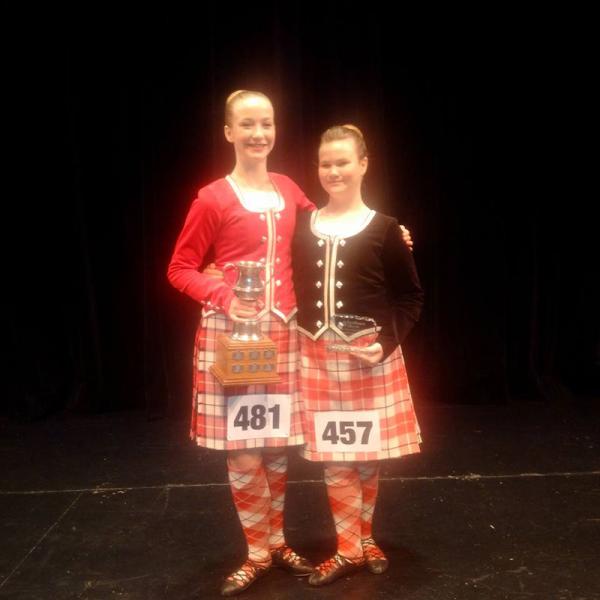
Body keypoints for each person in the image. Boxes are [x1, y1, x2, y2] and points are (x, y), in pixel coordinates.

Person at [167, 90, 316, 596]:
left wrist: (388, 237)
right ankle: (256, 550)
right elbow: (179, 268)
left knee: (275, 446)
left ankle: (275, 542)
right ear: (229, 132)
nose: (259, 134)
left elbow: (328, 231)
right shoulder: (212, 197)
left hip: (284, 330)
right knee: (244, 451)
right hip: (235, 333)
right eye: (247, 125)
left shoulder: (288, 188)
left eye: (266, 124)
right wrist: (224, 294)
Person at [292, 124, 424, 586]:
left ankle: (362, 538)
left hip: (369, 358)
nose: (333, 171)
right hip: (319, 356)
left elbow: (410, 299)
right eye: (326, 163)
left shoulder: (386, 229)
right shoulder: (303, 224)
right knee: (335, 456)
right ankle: (349, 547)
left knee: (365, 455)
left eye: (343, 161)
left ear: (364, 164)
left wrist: (385, 345)